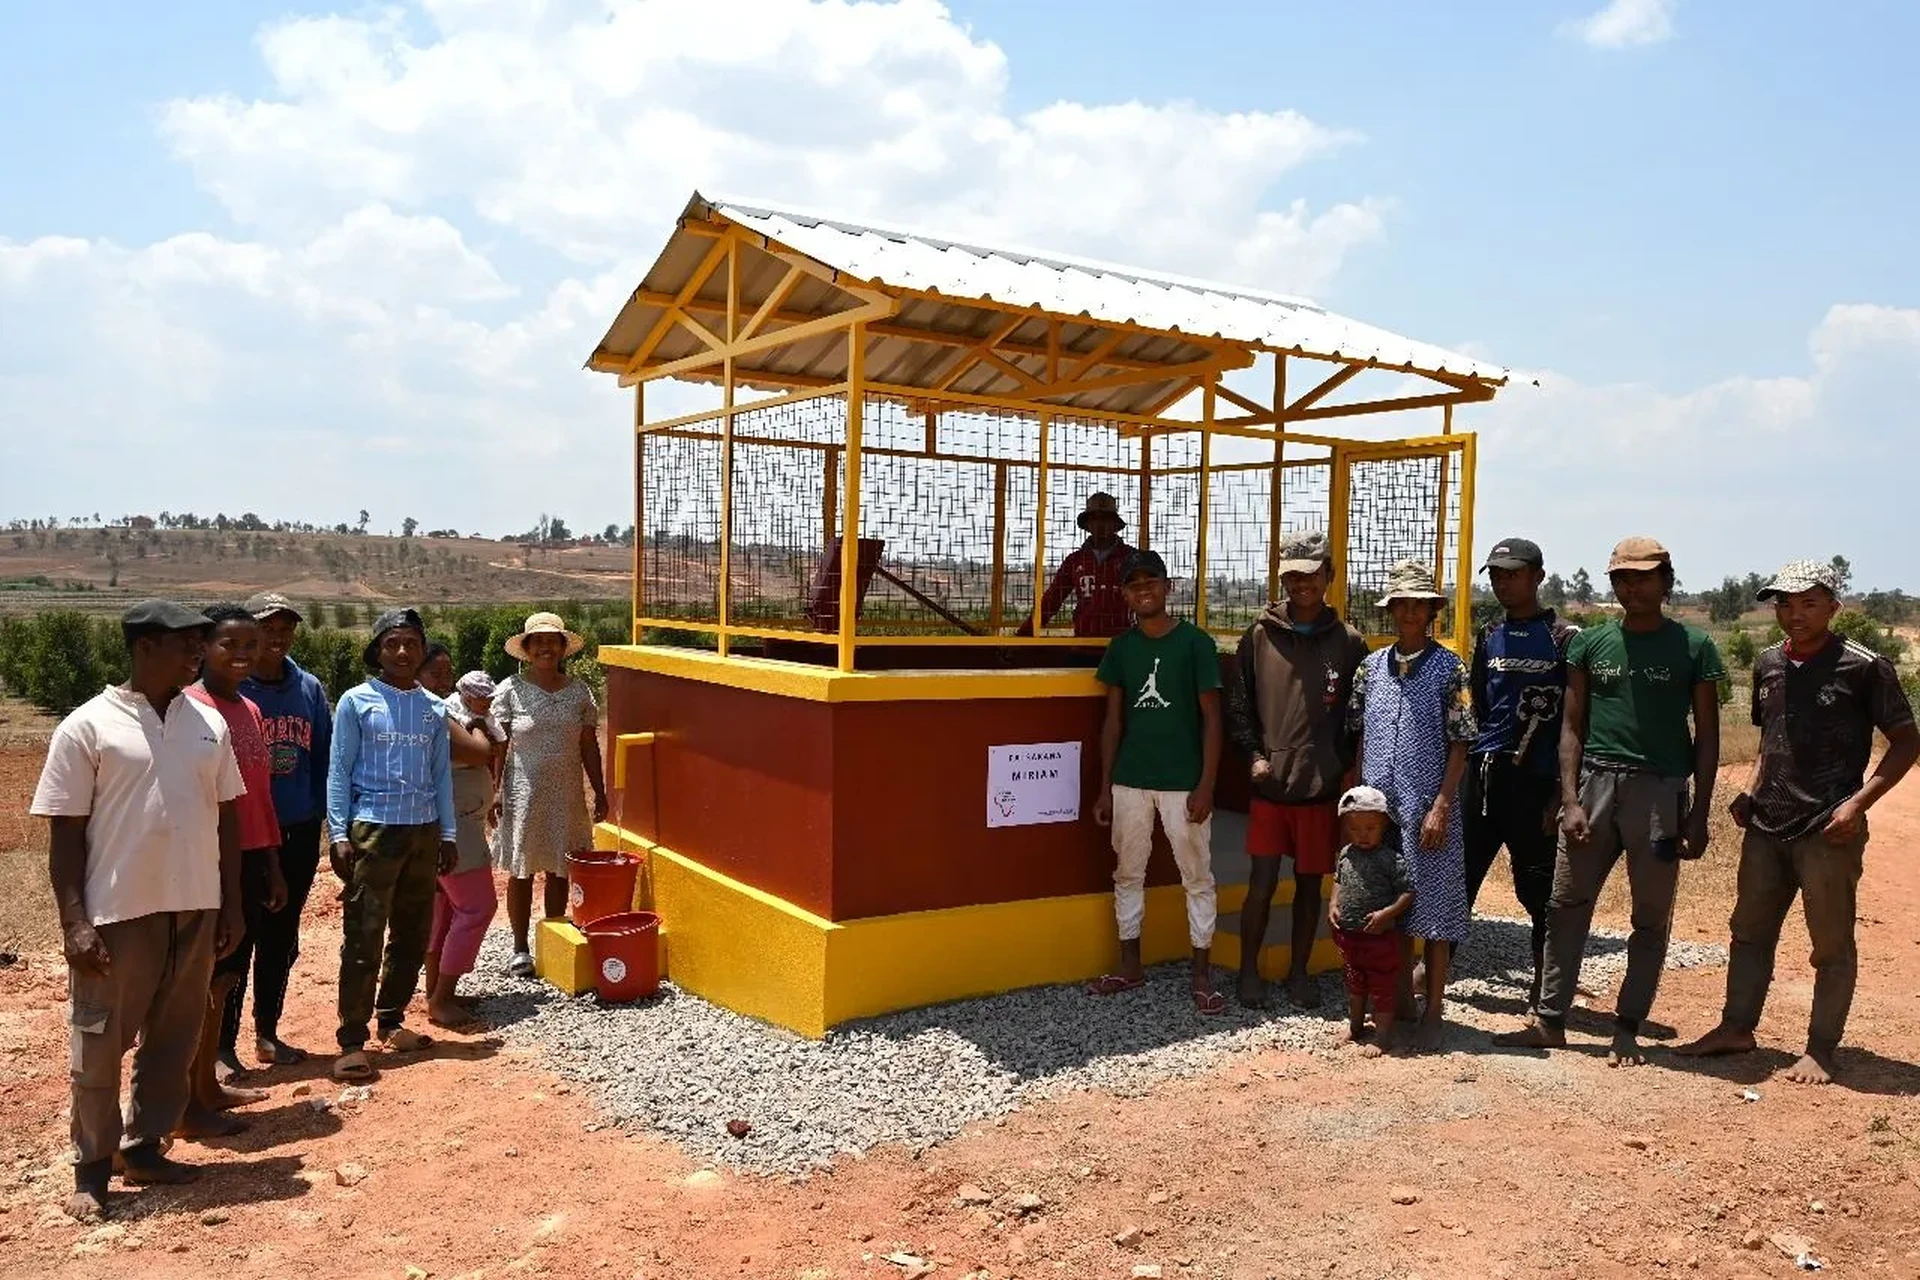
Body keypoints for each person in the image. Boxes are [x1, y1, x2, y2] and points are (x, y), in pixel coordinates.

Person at [30, 601, 244, 1221]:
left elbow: (226, 817)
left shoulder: (207, 724)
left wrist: (228, 901)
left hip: (195, 907)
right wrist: (73, 920)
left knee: (174, 1040)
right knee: (98, 1044)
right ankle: (92, 1168)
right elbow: (65, 834)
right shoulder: (87, 726)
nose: (198, 653)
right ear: (145, 647)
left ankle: (144, 1147)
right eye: (186, 644)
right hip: (119, 913)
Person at [1678, 560, 1918, 1084]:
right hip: (1767, 825)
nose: (1795, 613)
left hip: (1829, 827)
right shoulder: (1768, 663)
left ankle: (1821, 1049)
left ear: (1834, 606)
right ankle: (1736, 1028)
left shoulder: (1863, 666)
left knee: (1830, 944)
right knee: (1747, 932)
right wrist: (1751, 789)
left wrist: (1858, 805)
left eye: (1809, 602)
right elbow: (1771, 739)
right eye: (1784, 603)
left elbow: (1907, 742)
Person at [1496, 537, 1723, 1066]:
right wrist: (1570, 799)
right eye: (1622, 577)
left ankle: (1626, 1028)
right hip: (1595, 786)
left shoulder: (1694, 647)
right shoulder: (1590, 644)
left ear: (1667, 582)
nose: (1632, 587)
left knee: (1649, 917)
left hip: (1659, 793)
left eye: (1643, 577)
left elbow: (1707, 737)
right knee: (1565, 906)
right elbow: (1571, 728)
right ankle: (1550, 1021)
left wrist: (1699, 812)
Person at [1226, 529, 1369, 1009]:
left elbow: (1356, 717)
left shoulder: (1349, 644)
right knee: (1261, 885)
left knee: (1311, 885)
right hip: (1270, 788)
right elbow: (1239, 706)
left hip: (1320, 789)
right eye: (1291, 576)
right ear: (1282, 577)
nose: (1301, 585)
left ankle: (1299, 973)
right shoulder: (1259, 635)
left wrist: (1341, 766)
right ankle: (1249, 972)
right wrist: (1254, 756)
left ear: (1328, 575)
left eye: (1310, 576)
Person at [1087, 549, 1225, 1013]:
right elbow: (1112, 722)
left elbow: (1212, 719)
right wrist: (1105, 786)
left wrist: (1207, 783)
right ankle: (1130, 966)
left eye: (1151, 582)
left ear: (1167, 587)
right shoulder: (1122, 648)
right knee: (1127, 872)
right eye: (1134, 585)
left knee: (1197, 876)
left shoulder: (1195, 644)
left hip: (1182, 781)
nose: (1143, 591)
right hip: (1130, 779)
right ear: (1126, 595)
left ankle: (1202, 975)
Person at [326, 608, 458, 1081]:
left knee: (412, 932)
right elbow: (339, 769)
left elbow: (441, 775)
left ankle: (392, 1020)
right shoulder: (357, 701)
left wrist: (447, 833)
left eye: (412, 644)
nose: (403, 652)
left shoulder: (433, 708)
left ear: (423, 651)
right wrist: (339, 833)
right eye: (392, 644)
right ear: (377, 650)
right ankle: (351, 1041)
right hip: (373, 830)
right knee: (363, 933)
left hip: (422, 830)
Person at [1348, 561, 1475, 1050]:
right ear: (1391, 610)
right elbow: (1359, 736)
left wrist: (1442, 803)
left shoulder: (1450, 667)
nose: (1409, 612)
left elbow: (1461, 741)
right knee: (1389, 903)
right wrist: (1359, 805)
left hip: (1428, 806)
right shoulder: (1370, 669)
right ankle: (1397, 999)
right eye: (1400, 604)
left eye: (1418, 604)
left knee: (1435, 909)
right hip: (1380, 812)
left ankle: (1435, 1009)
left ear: (1430, 612)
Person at [180, 604, 286, 1135]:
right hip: (205, 860)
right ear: (203, 647)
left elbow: (260, 795)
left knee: (225, 974)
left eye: (252, 645)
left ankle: (206, 1087)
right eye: (231, 644)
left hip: (246, 857)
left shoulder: (250, 710)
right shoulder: (189, 710)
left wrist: (271, 861)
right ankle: (186, 1097)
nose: (244, 654)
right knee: (202, 977)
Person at [1464, 538, 1579, 1019]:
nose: (1502, 582)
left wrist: (1561, 791)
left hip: (1536, 783)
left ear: (1538, 576)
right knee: (1460, 878)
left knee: (1538, 890)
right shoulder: (1489, 634)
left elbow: (1576, 720)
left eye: (1512, 573)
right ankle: (1431, 975)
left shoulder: (1565, 637)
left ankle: (1543, 988)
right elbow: (1482, 704)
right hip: (1485, 775)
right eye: (1495, 574)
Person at [219, 591, 330, 1073]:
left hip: (297, 831)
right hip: (240, 836)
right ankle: (221, 1047)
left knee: (281, 937)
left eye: (287, 628)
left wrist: (324, 822)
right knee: (235, 937)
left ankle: (267, 1034)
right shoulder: (234, 690)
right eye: (269, 627)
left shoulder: (308, 689)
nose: (278, 636)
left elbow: (323, 759)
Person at [492, 612, 609, 978]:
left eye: (552, 641)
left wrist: (600, 793)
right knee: (522, 870)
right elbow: (498, 745)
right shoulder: (509, 689)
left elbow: (589, 745)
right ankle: (520, 948)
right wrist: (494, 791)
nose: (545, 647)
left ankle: (554, 940)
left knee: (561, 869)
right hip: (522, 792)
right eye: (537, 641)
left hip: (567, 793)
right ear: (526, 649)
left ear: (562, 648)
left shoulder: (579, 692)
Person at [424, 670, 504, 1027]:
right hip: (454, 823)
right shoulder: (442, 713)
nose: (443, 678)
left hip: (458, 819)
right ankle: (441, 999)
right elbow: (479, 751)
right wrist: (476, 726)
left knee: (445, 906)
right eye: (434, 669)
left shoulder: (436, 710)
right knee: (476, 906)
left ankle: (436, 991)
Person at [1327, 785, 1415, 1058]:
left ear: (1384, 825)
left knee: (1382, 989)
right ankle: (1355, 1028)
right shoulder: (1345, 854)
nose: (1362, 835)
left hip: (1380, 940)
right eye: (1355, 829)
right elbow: (1338, 881)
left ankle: (1383, 1036)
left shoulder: (1391, 860)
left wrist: (1386, 914)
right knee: (1354, 985)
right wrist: (1332, 904)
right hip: (1350, 937)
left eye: (1370, 828)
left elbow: (1408, 892)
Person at [1020, 492, 1138, 638]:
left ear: (1115, 524)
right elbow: (1052, 600)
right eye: (1094, 519)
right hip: (1084, 642)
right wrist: (1024, 634)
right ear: (1087, 525)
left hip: (1124, 644)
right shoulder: (1075, 561)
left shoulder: (1133, 558)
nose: (1100, 524)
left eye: (1106, 519)